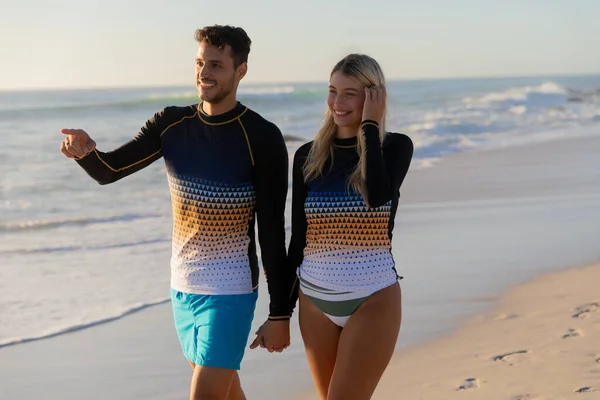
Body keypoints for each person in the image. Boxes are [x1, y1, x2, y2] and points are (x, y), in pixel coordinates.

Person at [59, 25, 295, 400]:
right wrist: (84, 151)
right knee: (228, 394)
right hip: (182, 286)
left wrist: (280, 312)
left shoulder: (261, 136)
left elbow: (271, 232)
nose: (204, 72)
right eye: (200, 63)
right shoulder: (171, 124)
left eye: (216, 64)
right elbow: (110, 170)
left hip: (230, 289)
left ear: (241, 70)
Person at [287, 54, 414, 400]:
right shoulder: (307, 156)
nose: (337, 103)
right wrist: (279, 313)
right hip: (314, 301)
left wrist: (370, 128)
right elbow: (298, 237)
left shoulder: (395, 147)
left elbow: (376, 196)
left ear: (374, 97)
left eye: (350, 93)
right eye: (332, 91)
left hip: (372, 298)